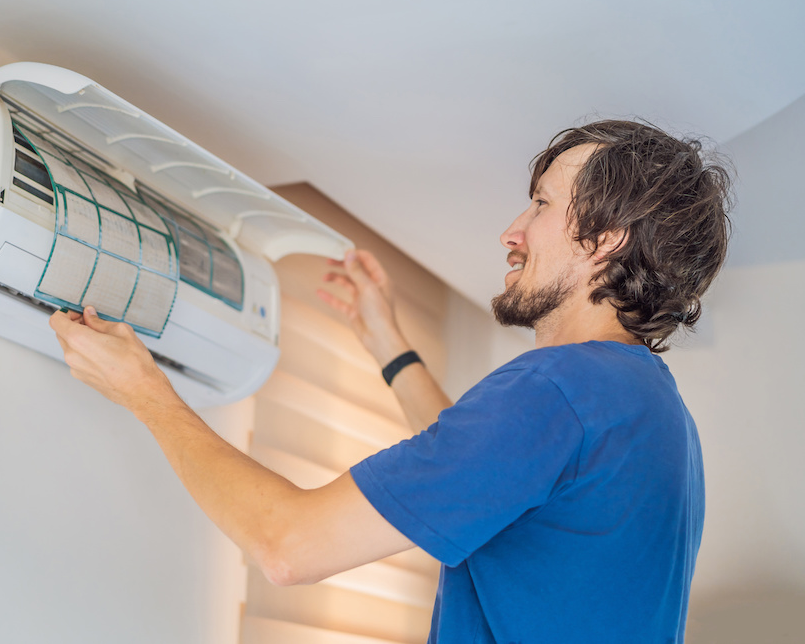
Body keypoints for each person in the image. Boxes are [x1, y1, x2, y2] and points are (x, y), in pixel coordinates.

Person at [49, 119, 731, 643]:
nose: (511, 231)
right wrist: (388, 344)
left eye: (541, 204)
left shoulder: (559, 387)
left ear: (605, 238)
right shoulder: (649, 409)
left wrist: (144, 388)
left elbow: (288, 545)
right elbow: (473, 468)